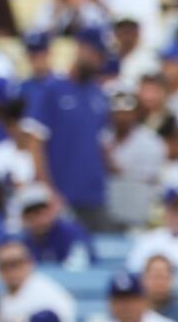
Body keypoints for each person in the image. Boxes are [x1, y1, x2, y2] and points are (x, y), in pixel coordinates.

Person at [21, 28, 112, 231]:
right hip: (61, 194)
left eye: (101, 56)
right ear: (80, 48)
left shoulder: (98, 94)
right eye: (93, 52)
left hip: (94, 195)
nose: (97, 60)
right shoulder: (52, 89)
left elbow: (101, 145)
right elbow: (35, 142)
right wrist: (48, 189)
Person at [105, 86, 167, 227]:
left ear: (136, 113)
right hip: (106, 208)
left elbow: (148, 180)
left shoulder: (151, 142)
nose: (121, 116)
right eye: (117, 112)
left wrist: (111, 164)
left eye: (126, 112)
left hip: (138, 209)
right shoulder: (102, 138)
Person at [0, 241, 77, 322]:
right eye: (4, 265)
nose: (10, 270)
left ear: (30, 263)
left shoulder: (46, 292)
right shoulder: (1, 295)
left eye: (16, 263)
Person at [14, 183, 95, 267]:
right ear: (23, 217)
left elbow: (79, 270)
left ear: (52, 210)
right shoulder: (22, 240)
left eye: (41, 211)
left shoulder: (72, 233)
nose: (37, 218)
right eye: (31, 213)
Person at [142, 255, 178, 322]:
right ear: (144, 279)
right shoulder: (134, 313)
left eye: (164, 277)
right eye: (155, 277)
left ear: (173, 280)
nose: (159, 283)